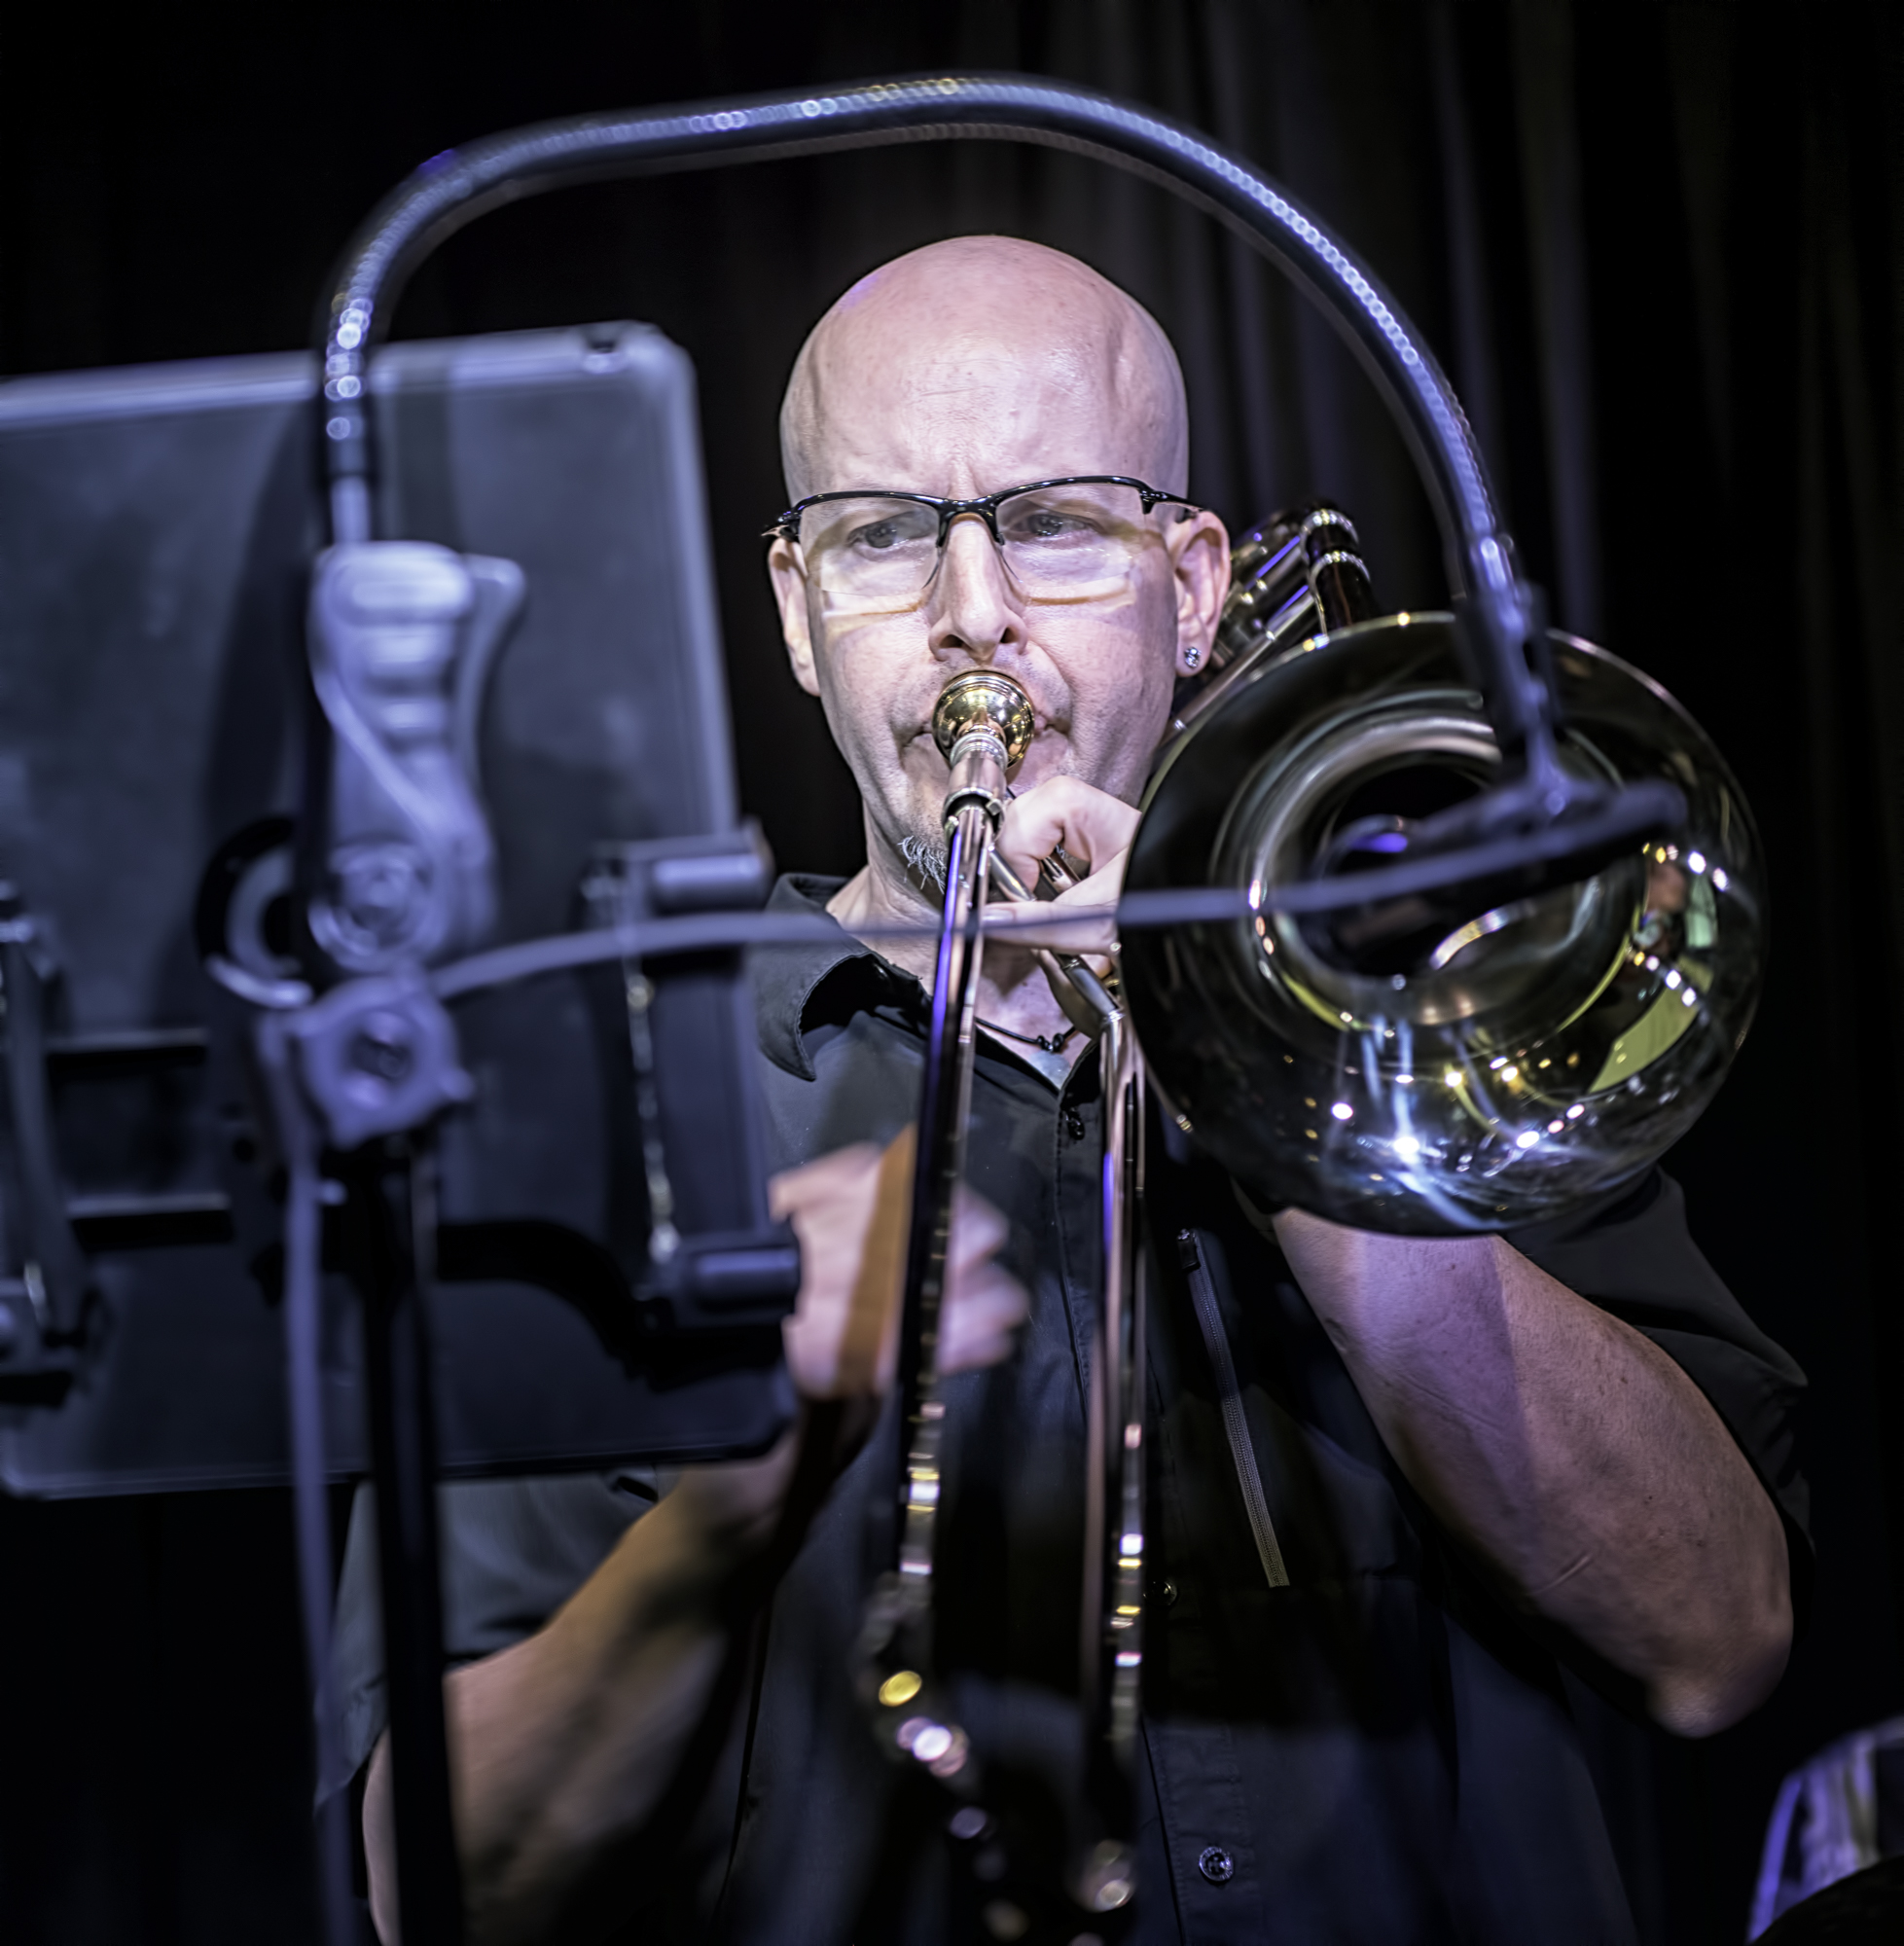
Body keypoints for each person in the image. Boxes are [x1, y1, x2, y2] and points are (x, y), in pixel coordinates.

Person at [332, 235, 1809, 1945]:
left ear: (1190, 585)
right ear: (799, 613)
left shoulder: (1425, 1013)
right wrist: (738, 1477)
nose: (972, 611)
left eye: (1050, 521)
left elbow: (1715, 1642)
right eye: (884, 535)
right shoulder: (595, 1086)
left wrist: (1269, 1074)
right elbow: (440, 1886)